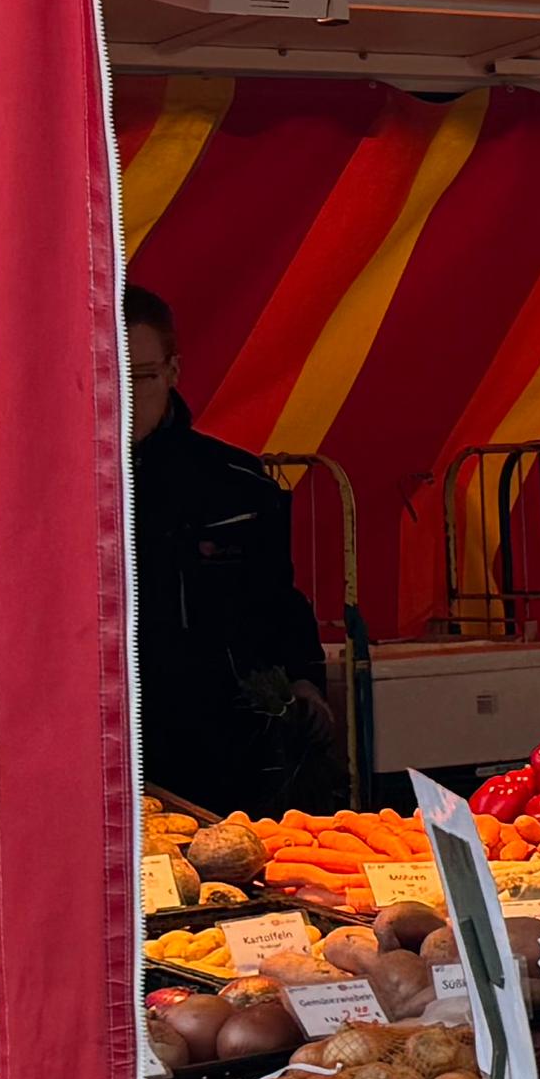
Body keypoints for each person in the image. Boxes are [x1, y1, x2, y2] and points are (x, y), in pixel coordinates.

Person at [123, 285, 341, 809]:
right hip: (97, 732)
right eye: (106, 375)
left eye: (142, 377)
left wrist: (305, 679)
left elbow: (277, 597)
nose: (124, 396)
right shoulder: (38, 488)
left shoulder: (237, 483)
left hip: (222, 740)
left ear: (173, 371)